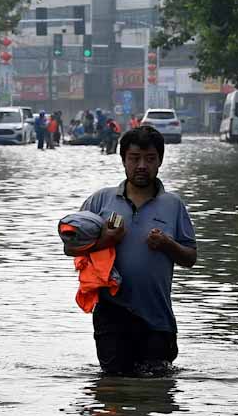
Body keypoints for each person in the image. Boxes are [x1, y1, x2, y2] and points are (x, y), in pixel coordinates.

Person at [72, 124, 198, 377]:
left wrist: (167, 244)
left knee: (156, 394)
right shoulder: (101, 201)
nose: (142, 165)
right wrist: (105, 240)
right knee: (114, 388)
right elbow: (71, 246)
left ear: (160, 161)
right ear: (123, 161)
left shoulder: (173, 205)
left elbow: (190, 257)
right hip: (111, 314)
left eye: (150, 159)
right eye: (134, 158)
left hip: (157, 318)